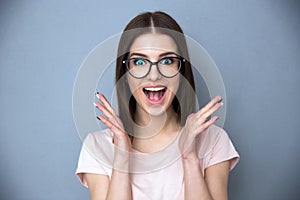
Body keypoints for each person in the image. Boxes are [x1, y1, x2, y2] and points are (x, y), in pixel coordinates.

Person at [76, 11, 239, 200]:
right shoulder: (97, 146)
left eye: (167, 60)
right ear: (125, 73)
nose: (154, 75)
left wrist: (189, 157)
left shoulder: (214, 140)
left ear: (182, 70)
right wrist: (121, 157)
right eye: (139, 61)